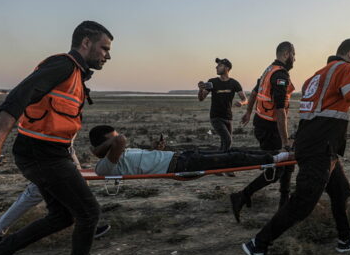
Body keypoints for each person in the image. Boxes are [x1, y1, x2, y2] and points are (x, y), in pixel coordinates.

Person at [0, 21, 114, 255]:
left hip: (49, 153)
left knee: (62, 216)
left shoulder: (76, 75)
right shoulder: (63, 66)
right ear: (85, 42)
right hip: (41, 154)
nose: (108, 55)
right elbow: (21, 94)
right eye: (104, 48)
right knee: (89, 212)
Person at [241, 38, 350, 255]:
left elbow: (310, 113)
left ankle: (345, 239)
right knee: (304, 201)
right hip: (320, 148)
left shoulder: (316, 76)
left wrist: (297, 141)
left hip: (321, 146)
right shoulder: (347, 69)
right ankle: (259, 244)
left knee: (341, 190)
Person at [0, 143, 111, 247]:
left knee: (76, 182)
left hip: (60, 145)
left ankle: (88, 225)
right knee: (37, 191)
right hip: (49, 147)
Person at [229, 42, 296, 222]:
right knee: (276, 169)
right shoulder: (279, 74)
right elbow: (280, 110)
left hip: (263, 124)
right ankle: (242, 195)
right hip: (269, 128)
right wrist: (285, 142)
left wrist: (249, 112)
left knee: (287, 163)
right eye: (294, 55)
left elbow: (253, 93)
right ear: (286, 54)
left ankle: (284, 203)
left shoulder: (269, 70)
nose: (295, 59)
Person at [89, 125, 292, 176]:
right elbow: (121, 140)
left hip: (181, 156)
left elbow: (124, 147)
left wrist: (155, 149)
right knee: (233, 156)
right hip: (180, 165)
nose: (117, 139)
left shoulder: (115, 155)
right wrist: (103, 148)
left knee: (232, 152)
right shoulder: (104, 166)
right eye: (112, 139)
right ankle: (276, 158)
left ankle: (273, 155)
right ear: (104, 145)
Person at [197, 58, 247, 152]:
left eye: (219, 65)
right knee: (228, 140)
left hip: (228, 117)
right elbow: (201, 98)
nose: (216, 67)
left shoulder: (234, 83)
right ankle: (221, 159)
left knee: (225, 144)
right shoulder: (212, 82)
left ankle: (221, 160)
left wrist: (241, 103)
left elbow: (245, 99)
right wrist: (200, 90)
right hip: (216, 117)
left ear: (227, 68)